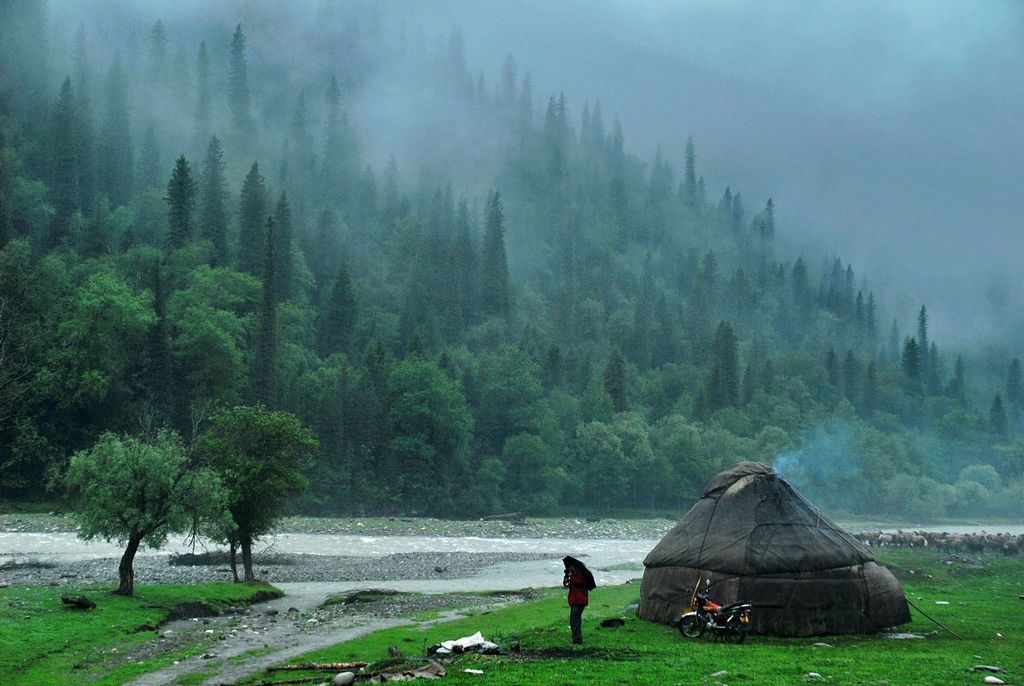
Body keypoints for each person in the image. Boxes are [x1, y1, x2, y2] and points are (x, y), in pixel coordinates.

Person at [563, 562, 590, 644]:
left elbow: (579, 582)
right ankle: (575, 638)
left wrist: (571, 576)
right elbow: (566, 585)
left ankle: (578, 640)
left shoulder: (582, 575)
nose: (571, 569)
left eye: (572, 568)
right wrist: (566, 577)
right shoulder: (573, 575)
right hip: (574, 600)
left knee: (575, 620)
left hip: (580, 600)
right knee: (572, 621)